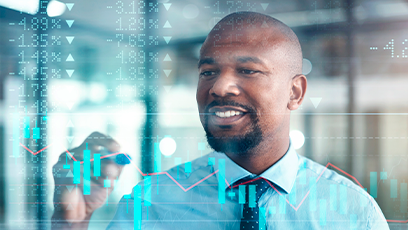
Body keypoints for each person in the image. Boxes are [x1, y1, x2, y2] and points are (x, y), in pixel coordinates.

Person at [52, 12, 390, 230]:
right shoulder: (151, 204)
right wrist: (69, 225)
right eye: (208, 72)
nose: (218, 86)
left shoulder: (353, 213)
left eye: (247, 70)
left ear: (295, 92)